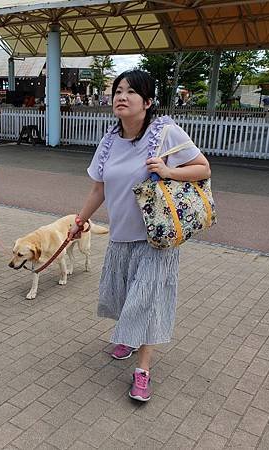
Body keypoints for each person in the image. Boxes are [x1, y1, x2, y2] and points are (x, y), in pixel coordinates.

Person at [68, 70, 211, 402]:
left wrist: (168, 170)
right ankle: (129, 339)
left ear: (147, 102)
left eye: (131, 92)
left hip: (156, 239)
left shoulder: (166, 134)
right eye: (118, 90)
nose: (122, 96)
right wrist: (79, 220)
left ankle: (143, 371)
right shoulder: (109, 141)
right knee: (123, 296)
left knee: (146, 302)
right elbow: (98, 189)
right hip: (121, 236)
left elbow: (203, 168)